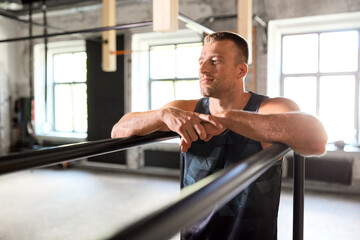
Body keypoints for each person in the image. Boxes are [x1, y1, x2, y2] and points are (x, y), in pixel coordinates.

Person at [111, 31, 327, 240]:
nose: (203, 69)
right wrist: (163, 115)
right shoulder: (186, 109)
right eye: (201, 61)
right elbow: (118, 131)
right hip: (194, 234)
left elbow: (316, 140)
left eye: (215, 61)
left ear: (241, 71)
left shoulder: (268, 107)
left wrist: (227, 118)